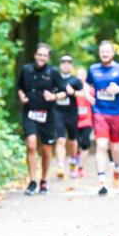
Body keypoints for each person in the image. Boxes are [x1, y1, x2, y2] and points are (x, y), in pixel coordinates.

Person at [86, 40, 119, 196]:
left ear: (113, 53)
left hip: (117, 113)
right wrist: (88, 95)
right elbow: (87, 85)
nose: (105, 54)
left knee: (115, 147)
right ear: (99, 53)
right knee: (101, 145)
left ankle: (117, 168)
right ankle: (102, 181)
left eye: (108, 51)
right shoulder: (93, 69)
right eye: (102, 51)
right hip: (99, 112)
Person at [17, 43, 69, 195]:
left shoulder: (53, 72)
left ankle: (43, 180)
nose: (41, 57)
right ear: (35, 55)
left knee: (46, 150)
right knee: (31, 144)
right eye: (39, 54)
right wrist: (21, 96)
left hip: (47, 115)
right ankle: (32, 181)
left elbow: (65, 92)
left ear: (48, 58)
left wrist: (53, 96)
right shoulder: (26, 69)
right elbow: (20, 87)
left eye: (45, 55)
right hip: (30, 112)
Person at [53, 54, 84, 179]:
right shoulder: (54, 79)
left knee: (73, 141)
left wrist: (74, 92)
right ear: (60, 64)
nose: (66, 64)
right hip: (57, 112)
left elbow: (83, 94)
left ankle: (72, 163)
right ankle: (60, 166)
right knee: (60, 139)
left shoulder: (76, 80)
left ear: (71, 66)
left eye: (69, 62)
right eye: (63, 62)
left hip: (71, 113)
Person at [75, 66, 95, 179]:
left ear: (85, 76)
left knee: (85, 144)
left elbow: (94, 104)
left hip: (87, 121)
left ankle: (81, 168)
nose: (80, 77)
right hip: (75, 121)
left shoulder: (91, 90)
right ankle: (76, 158)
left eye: (82, 74)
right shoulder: (73, 89)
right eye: (78, 75)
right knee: (76, 144)